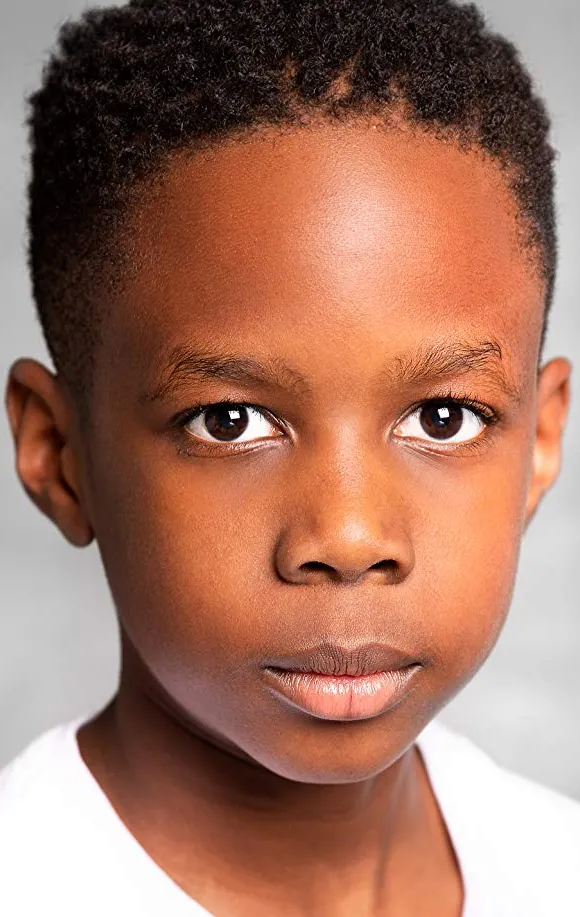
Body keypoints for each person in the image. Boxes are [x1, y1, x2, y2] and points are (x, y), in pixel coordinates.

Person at [1, 0, 578, 914]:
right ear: (59, 454)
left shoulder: (557, 865)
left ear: (540, 442)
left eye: (443, 418)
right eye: (229, 421)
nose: (348, 538)